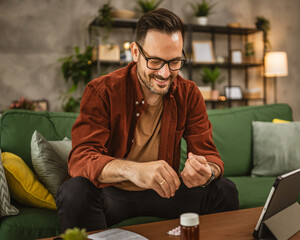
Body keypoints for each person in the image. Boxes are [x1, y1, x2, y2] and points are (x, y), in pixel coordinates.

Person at [56, 8, 239, 232]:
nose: (164, 74)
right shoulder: (102, 91)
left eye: (174, 62)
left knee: (225, 190)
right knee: (74, 192)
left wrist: (206, 171)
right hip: (111, 194)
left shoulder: (189, 93)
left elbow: (211, 157)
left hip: (166, 192)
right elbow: (81, 160)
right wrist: (133, 170)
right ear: (135, 52)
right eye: (154, 61)